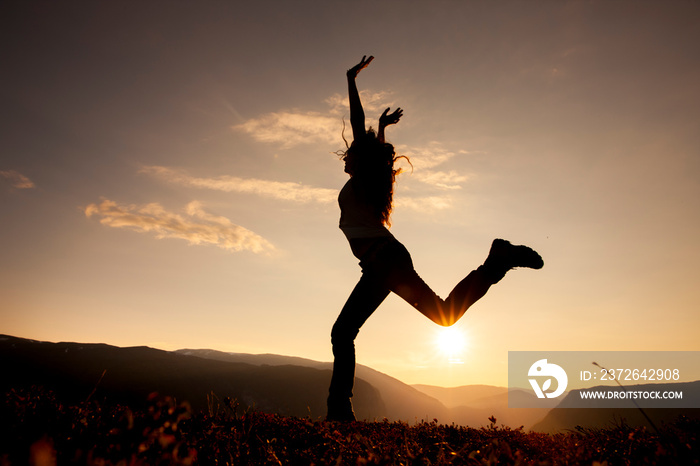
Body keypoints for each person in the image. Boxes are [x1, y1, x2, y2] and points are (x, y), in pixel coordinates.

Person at [326, 55, 544, 422]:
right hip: (384, 262)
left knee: (343, 331)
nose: (345, 160)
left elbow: (357, 124)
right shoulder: (370, 185)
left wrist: (351, 81)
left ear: (361, 159)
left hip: (383, 261)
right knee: (443, 317)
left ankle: (339, 412)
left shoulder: (363, 179)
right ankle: (496, 263)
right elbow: (373, 150)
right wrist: (381, 130)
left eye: (351, 156)